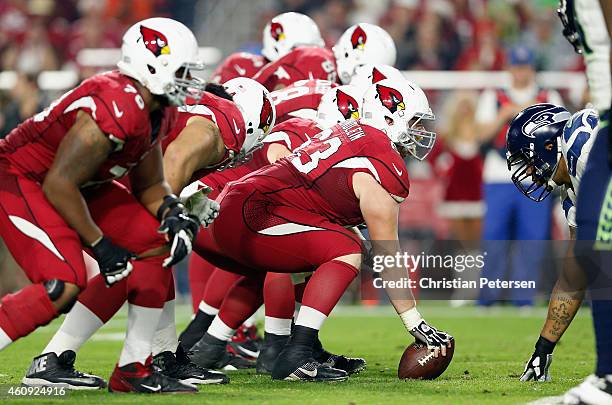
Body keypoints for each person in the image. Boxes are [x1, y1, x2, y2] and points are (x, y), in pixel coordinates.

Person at [18, 78, 276, 390]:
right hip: (72, 178)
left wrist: (186, 201)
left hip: (84, 173)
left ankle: (164, 357)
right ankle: (55, 358)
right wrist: (172, 211)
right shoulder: (222, 124)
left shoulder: (204, 109)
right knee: (136, 256)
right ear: (250, 121)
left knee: (155, 252)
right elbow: (175, 160)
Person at [191, 78, 452, 382]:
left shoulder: (347, 133)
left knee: (336, 248)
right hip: (250, 213)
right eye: (415, 122)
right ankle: (296, 354)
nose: (419, 134)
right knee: (346, 249)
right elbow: (388, 256)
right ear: (390, 118)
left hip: (237, 207)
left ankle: (240, 344)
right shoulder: (382, 161)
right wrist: (414, 321)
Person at [0, 17, 205, 394]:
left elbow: (150, 184)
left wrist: (171, 212)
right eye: (181, 70)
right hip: (22, 178)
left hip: (80, 185)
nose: (188, 80)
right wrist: (100, 243)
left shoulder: (156, 107)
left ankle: (133, 368)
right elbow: (59, 183)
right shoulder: (114, 103)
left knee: (153, 241)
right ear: (151, 65)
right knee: (63, 284)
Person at [180, 85, 367, 376]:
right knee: (286, 251)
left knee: (269, 261)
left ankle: (211, 343)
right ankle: (278, 345)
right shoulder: (304, 129)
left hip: (213, 212)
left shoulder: (317, 138)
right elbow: (278, 157)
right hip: (212, 210)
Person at [503, 104, 598, 383]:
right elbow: (574, 278)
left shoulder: (583, 144)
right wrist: (542, 350)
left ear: (546, 145)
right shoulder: (572, 187)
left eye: (528, 161)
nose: (531, 173)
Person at [476, 45, 563, 307]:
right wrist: (504, 115)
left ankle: (523, 298)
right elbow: (479, 136)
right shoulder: (494, 96)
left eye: (525, 67)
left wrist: (529, 115)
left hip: (535, 176)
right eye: (516, 66)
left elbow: (559, 139)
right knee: (494, 238)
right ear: (509, 68)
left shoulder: (549, 96)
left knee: (532, 239)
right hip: (499, 174)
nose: (521, 73)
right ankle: (488, 298)